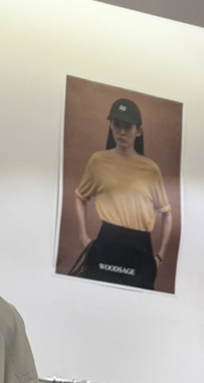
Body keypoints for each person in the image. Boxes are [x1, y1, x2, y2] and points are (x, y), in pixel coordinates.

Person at [73, 98, 172, 289]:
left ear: (138, 131)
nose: (122, 132)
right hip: (107, 243)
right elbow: (80, 197)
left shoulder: (151, 169)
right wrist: (83, 237)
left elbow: (167, 213)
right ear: (110, 125)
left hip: (140, 248)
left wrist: (160, 256)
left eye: (127, 127)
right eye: (117, 124)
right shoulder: (98, 161)